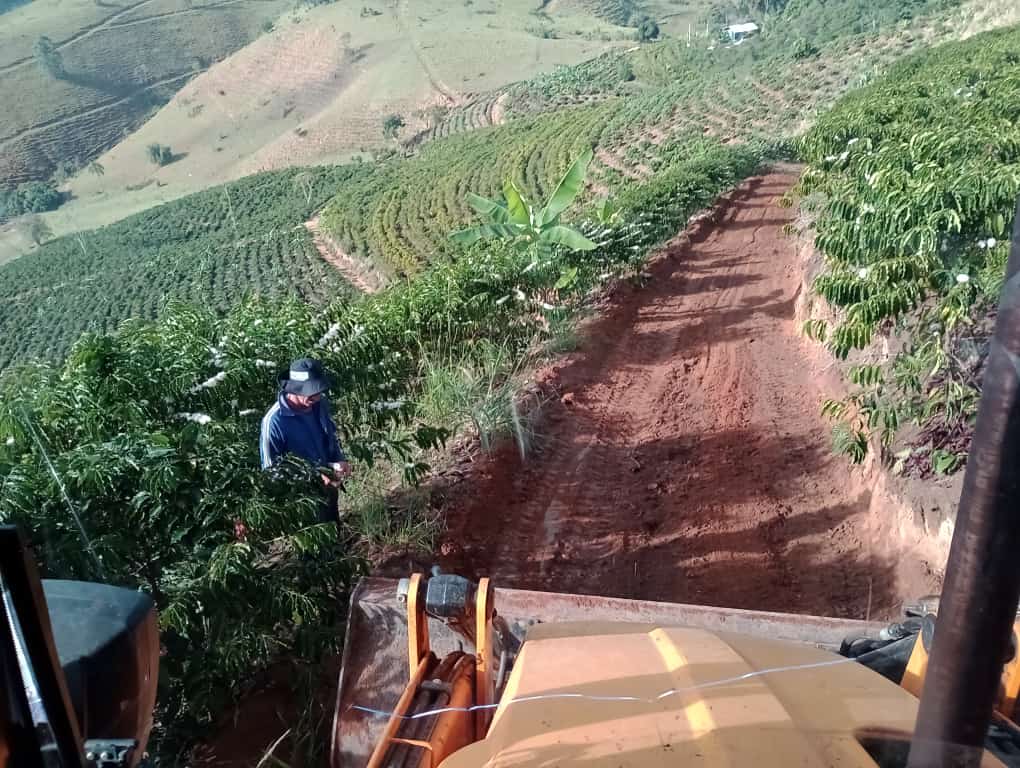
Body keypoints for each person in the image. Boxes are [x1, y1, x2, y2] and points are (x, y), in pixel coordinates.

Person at [260, 358, 352, 526]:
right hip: (303, 502)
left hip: (329, 489)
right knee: (314, 539)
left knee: (334, 531)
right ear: (294, 389)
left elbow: (329, 436)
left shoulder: (319, 404)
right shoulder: (274, 422)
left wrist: (339, 460)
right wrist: (314, 476)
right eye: (311, 392)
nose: (316, 396)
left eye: (318, 391)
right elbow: (271, 473)